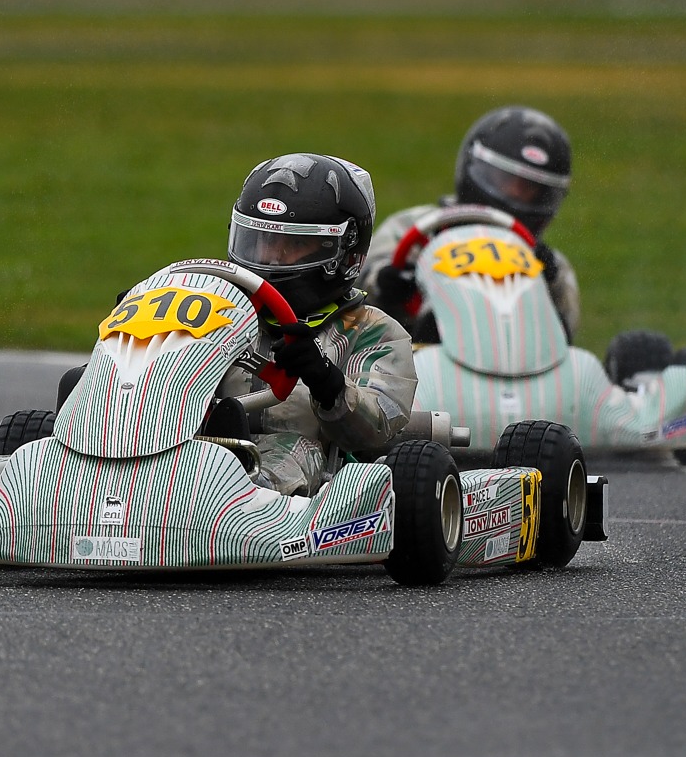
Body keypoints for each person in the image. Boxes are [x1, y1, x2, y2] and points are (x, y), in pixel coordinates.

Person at [217, 152, 418, 497]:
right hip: (202, 452)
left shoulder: (372, 330)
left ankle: (245, 500)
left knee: (293, 448)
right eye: (262, 242)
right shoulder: (218, 310)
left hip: (314, 474)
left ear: (343, 253)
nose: (272, 258)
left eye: (294, 244)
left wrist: (326, 382)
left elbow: (376, 429)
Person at [361, 106, 580, 342]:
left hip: (506, 356)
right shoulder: (413, 228)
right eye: (505, 180)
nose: (516, 194)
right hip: (415, 354)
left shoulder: (548, 265)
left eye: (530, 189)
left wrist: (549, 282)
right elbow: (357, 287)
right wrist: (387, 284)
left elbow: (566, 333)